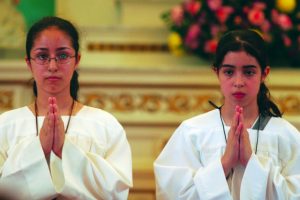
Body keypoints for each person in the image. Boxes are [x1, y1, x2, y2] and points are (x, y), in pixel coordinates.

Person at [154, 29, 300, 199]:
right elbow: (172, 194)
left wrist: (251, 163)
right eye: (229, 72)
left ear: (264, 74)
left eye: (249, 72)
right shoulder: (192, 133)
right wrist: (224, 164)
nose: (238, 82)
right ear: (217, 72)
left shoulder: (285, 136)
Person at [0, 16, 132, 199]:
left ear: (77, 59)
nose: (52, 66)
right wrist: (40, 148)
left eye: (62, 55)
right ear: (28, 63)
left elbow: (117, 192)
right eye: (42, 56)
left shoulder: (105, 125)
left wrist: (64, 149)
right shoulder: (6, 125)